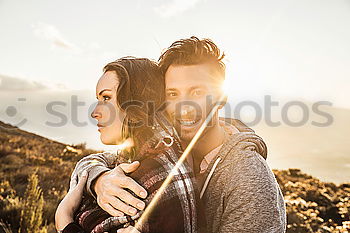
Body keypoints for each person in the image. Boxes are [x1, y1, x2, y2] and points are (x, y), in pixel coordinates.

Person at [71, 37, 287, 232]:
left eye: (197, 92)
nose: (184, 107)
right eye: (173, 94)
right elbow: (97, 160)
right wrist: (99, 179)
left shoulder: (248, 177)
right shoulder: (165, 149)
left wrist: (65, 223)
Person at [55, 57, 200, 233]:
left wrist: (64, 220)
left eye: (106, 98)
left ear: (136, 103)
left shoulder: (157, 177)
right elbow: (93, 161)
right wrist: (97, 179)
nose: (95, 112)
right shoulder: (134, 158)